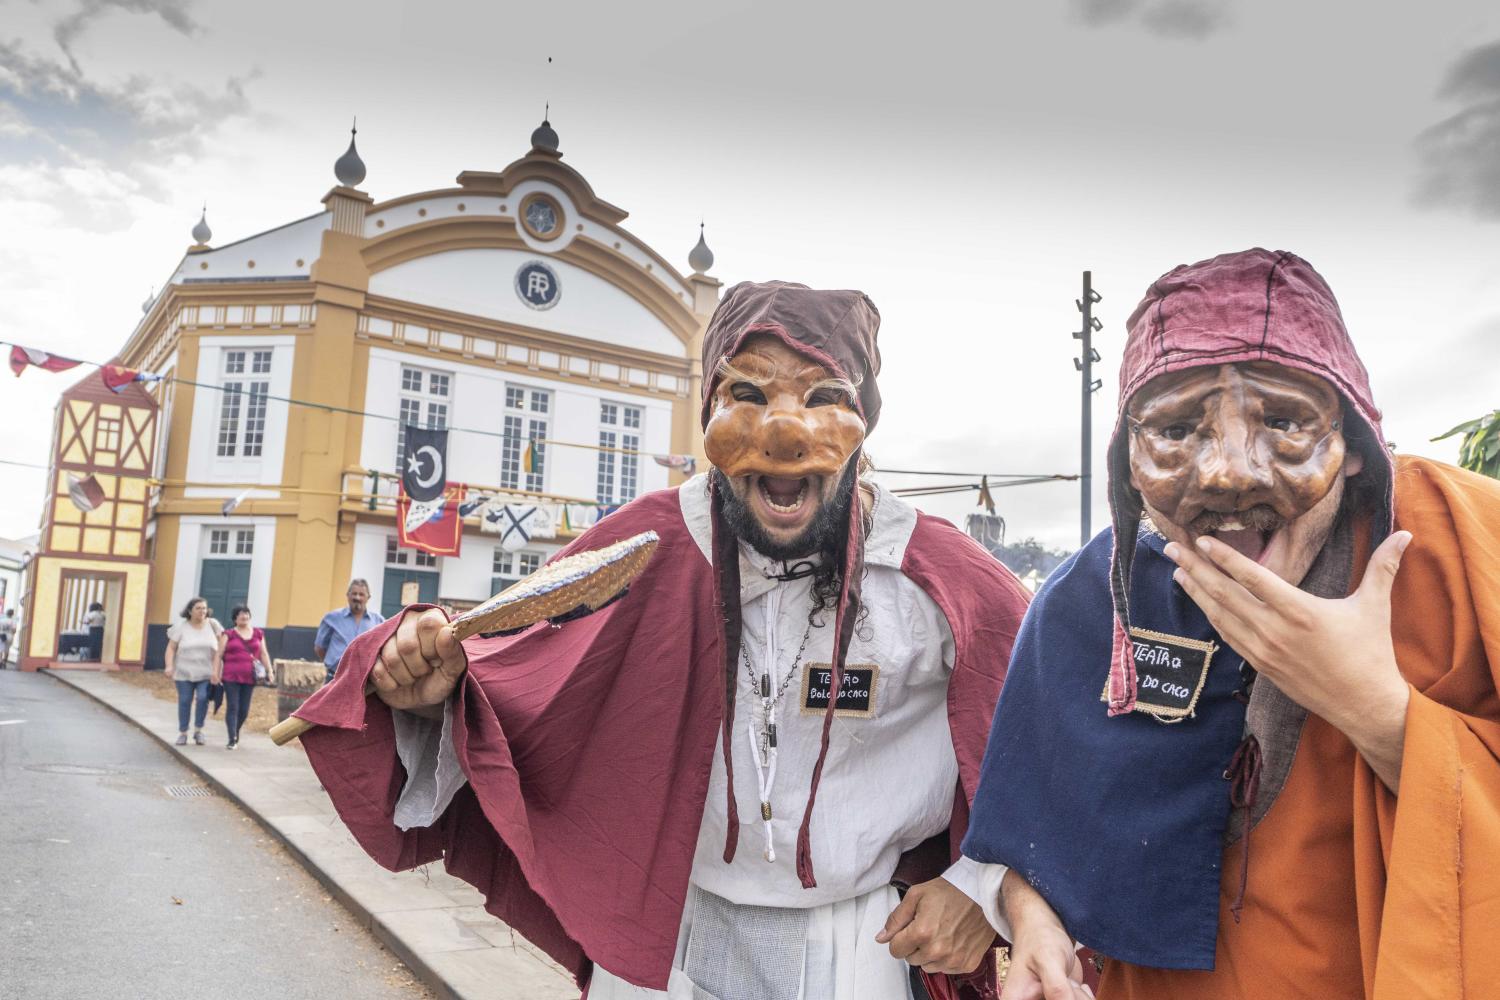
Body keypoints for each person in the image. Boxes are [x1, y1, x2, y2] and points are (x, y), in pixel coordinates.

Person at [294, 281, 1033, 999]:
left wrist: (980, 882)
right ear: (709, 409)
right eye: (746, 394)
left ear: (864, 423)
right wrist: (430, 688)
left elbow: (1048, 744)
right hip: (675, 936)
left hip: (857, 944)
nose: (785, 432)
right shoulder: (639, 548)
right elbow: (513, 674)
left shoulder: (941, 580)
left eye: (823, 397)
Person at [962, 249, 1500, 1000]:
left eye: (1283, 420)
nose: (1228, 473)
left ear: (1352, 446)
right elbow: (1032, 834)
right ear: (1128, 469)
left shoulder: (1468, 553)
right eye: (1178, 430)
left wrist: (1377, 713)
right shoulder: (1092, 599)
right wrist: (1037, 921)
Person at [164, 597, 223, 747]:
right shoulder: (181, 627)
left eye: (204, 608)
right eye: (198, 608)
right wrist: (169, 666)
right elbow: (171, 648)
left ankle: (198, 730)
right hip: (184, 672)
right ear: (190, 611)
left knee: (203, 698)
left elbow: (221, 646)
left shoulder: (213, 624)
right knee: (185, 700)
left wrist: (217, 670)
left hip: (207, 672)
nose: (202, 611)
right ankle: (183, 732)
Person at [214, 605, 272, 749]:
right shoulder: (228, 634)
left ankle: (236, 730)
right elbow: (219, 655)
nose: (244, 617)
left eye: (246, 614)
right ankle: (232, 738)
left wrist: (269, 670)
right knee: (233, 706)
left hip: (250, 677)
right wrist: (215, 673)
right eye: (241, 615)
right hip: (230, 676)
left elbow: (264, 654)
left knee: (244, 710)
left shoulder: (258, 633)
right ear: (235, 618)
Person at [313, 579, 383, 683]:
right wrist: (335, 666)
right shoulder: (331, 618)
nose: (357, 597)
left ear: (368, 597)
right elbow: (319, 648)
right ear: (348, 595)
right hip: (334, 678)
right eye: (354, 593)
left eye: (361, 594)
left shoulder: (379, 621)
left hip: (364, 682)